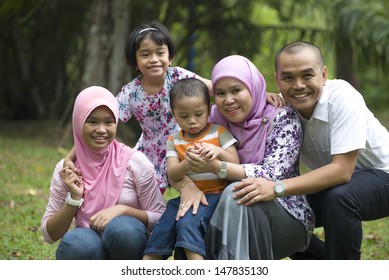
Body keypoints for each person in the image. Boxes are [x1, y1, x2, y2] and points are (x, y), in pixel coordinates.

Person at [63, 21, 282, 194]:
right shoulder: (130, 93)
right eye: (145, 54)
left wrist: (260, 94)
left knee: (199, 188)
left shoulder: (178, 76)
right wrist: (71, 156)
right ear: (134, 61)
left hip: (185, 144)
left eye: (160, 52)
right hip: (149, 152)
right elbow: (103, 120)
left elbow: (217, 88)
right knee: (143, 195)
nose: (154, 60)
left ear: (170, 56)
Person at [245, 41, 389, 260]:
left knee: (339, 197)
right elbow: (223, 96)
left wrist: (276, 187)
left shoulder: (343, 98)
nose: (298, 85)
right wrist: (255, 99)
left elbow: (341, 172)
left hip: (382, 175)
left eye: (307, 75)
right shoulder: (280, 110)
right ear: (277, 80)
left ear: (323, 75)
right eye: (288, 78)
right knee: (280, 211)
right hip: (338, 184)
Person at [171, 55, 314, 260]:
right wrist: (187, 186)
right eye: (220, 93)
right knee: (189, 215)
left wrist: (218, 166)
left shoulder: (282, 117)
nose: (228, 100)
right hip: (222, 208)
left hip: (285, 213)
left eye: (237, 90)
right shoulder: (210, 120)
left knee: (236, 192)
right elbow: (173, 160)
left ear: (253, 88)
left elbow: (270, 174)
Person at [40, 86, 166, 260]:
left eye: (108, 122)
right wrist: (73, 200)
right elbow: (49, 234)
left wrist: (122, 210)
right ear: (78, 122)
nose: (101, 129)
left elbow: (160, 217)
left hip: (129, 251)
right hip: (88, 246)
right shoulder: (67, 169)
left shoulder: (135, 162)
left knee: (123, 231)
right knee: (78, 245)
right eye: (92, 121)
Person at [143, 78, 240, 260]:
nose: (192, 121)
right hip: (185, 197)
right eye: (184, 116)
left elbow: (235, 162)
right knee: (163, 227)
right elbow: (172, 173)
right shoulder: (174, 140)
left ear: (209, 108)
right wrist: (186, 164)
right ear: (173, 113)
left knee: (188, 224)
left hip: (215, 196)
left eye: (198, 114)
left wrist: (218, 151)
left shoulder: (219, 133)